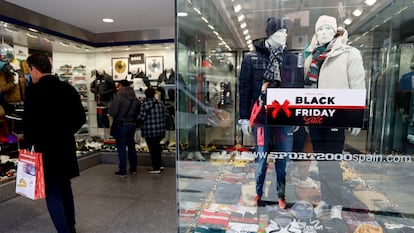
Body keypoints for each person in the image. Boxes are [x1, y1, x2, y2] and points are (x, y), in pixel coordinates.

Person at [303, 15, 366, 219]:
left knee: (332, 160)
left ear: (335, 32)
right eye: (319, 30)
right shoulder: (310, 58)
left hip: (336, 116)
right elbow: (306, 90)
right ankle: (326, 199)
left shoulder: (349, 54)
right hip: (316, 117)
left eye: (327, 29)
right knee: (321, 160)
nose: (323, 33)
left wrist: (357, 115)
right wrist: (305, 116)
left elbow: (357, 84)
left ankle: (336, 203)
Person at [238, 17, 303, 209]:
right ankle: (259, 193)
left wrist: (297, 115)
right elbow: (245, 89)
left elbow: (297, 88)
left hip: (284, 115)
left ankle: (281, 195)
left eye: (285, 32)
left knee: (284, 158)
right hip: (260, 117)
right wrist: (243, 117)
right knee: (261, 158)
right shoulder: (251, 59)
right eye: (281, 32)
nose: (285, 35)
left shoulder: (291, 58)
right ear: (271, 34)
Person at [23, 54, 86, 233]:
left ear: (35, 69)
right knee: (65, 187)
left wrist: (29, 145)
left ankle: (63, 230)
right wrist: (65, 132)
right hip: (65, 146)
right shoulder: (67, 88)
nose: (30, 74)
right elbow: (80, 118)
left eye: (30, 70)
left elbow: (29, 124)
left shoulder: (33, 92)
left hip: (45, 150)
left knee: (52, 192)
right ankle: (71, 226)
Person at [108, 79, 141, 177]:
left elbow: (113, 112)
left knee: (121, 148)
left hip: (121, 125)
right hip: (132, 125)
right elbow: (138, 112)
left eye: (118, 85)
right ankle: (133, 168)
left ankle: (122, 170)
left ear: (121, 86)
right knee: (131, 146)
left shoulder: (119, 97)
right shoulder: (135, 98)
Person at [137, 87, 167, 174]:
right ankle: (160, 165)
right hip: (160, 130)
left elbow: (141, 118)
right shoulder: (160, 104)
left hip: (149, 131)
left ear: (146, 95)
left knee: (153, 150)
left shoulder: (144, 105)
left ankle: (156, 167)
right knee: (157, 148)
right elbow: (165, 115)